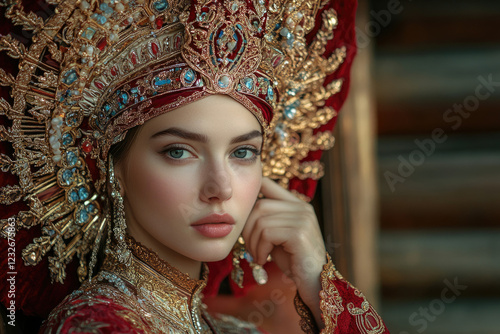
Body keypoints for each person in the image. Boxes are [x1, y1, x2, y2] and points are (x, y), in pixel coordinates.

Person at [0, 0, 389, 333]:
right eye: (178, 152)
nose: (220, 187)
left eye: (242, 153)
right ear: (111, 167)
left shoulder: (229, 327)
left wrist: (316, 280)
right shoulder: (95, 324)